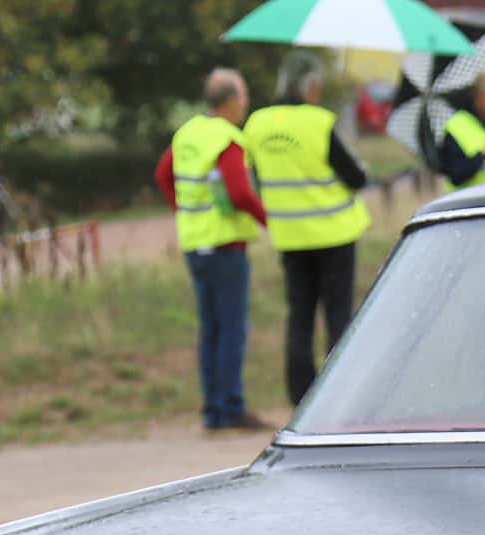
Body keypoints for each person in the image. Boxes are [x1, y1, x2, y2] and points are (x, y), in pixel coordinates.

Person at [244, 51, 372, 405]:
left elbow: (256, 174)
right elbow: (355, 177)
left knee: (299, 315)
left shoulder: (257, 123)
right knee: (338, 316)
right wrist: (361, 167)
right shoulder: (319, 122)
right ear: (311, 86)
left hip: (290, 236)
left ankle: (300, 394)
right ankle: (338, 393)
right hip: (334, 233)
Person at [156, 69, 269, 431]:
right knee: (233, 327)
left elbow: (163, 174)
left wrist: (184, 211)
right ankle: (232, 407)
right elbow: (238, 191)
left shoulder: (187, 132)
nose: (246, 103)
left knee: (210, 328)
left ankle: (213, 409)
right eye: (244, 96)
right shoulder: (228, 138)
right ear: (232, 99)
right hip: (224, 244)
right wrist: (268, 219)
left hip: (194, 244)